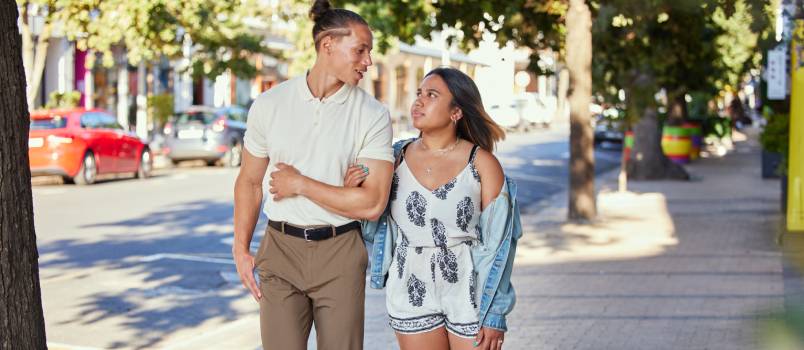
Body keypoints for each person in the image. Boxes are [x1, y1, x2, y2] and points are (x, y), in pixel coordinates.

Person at [231, 0, 394, 349]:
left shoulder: (372, 114)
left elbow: (372, 202)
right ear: (328, 45)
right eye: (360, 50)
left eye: (370, 52)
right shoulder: (270, 105)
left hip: (340, 252)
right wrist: (240, 247)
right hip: (280, 250)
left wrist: (300, 184)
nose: (368, 61)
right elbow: (248, 181)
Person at [357, 67, 522, 350]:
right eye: (419, 93)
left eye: (431, 95)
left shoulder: (482, 164)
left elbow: (500, 245)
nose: (418, 101)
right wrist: (358, 190)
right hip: (410, 284)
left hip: (470, 288)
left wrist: (495, 313)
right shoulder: (394, 159)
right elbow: (371, 226)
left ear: (456, 112)